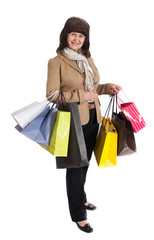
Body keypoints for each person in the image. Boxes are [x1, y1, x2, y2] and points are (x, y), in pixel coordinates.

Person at [46, 17, 122, 233]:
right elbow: (52, 95)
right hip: (71, 119)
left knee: (85, 162)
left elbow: (94, 87)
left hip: (92, 117)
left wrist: (108, 88)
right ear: (66, 36)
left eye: (81, 35)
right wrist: (82, 94)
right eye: (73, 34)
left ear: (85, 39)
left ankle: (82, 197)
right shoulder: (56, 61)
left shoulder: (87, 58)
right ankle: (79, 214)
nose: (77, 39)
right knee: (74, 167)